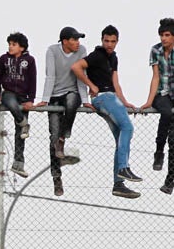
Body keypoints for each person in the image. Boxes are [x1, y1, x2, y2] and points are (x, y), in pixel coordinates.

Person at [72, 25, 141, 199]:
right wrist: (92, 85)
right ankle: (123, 168)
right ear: (102, 40)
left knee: (121, 137)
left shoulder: (113, 58)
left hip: (112, 98)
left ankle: (118, 185)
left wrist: (124, 102)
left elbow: (116, 83)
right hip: (103, 97)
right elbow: (76, 67)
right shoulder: (97, 55)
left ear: (117, 41)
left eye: (113, 41)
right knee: (128, 128)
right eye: (106, 41)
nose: (109, 44)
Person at [33, 27, 88, 197]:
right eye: (74, 40)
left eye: (78, 39)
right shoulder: (52, 51)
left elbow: (81, 76)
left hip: (72, 92)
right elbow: (50, 76)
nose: (78, 43)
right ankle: (56, 177)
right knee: (53, 137)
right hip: (55, 95)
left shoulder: (82, 51)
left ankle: (64, 137)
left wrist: (85, 100)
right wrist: (45, 99)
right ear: (65, 41)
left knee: (73, 100)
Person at [0, 32, 36, 178]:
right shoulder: (4, 59)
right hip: (9, 92)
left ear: (22, 47)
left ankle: (18, 164)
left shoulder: (29, 60)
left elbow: (32, 80)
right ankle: (24, 122)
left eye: (14, 44)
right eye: (9, 44)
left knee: (21, 134)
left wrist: (31, 99)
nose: (10, 47)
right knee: (11, 103)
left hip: (23, 96)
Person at [144, 18, 174, 191]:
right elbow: (155, 77)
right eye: (162, 35)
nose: (164, 38)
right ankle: (158, 152)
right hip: (161, 94)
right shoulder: (155, 50)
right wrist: (149, 101)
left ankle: (170, 181)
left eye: (167, 35)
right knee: (167, 113)